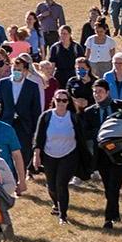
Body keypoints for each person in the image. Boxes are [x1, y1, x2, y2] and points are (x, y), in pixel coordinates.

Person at [87, 82, 122, 229]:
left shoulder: (120, 106)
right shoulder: (90, 112)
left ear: (108, 92)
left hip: (120, 154)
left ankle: (109, 218)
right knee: (109, 186)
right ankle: (114, 214)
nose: (97, 94)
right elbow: (86, 133)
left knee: (114, 185)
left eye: (100, 91)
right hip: (102, 156)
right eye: (95, 92)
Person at [34, 90, 83, 223]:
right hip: (49, 155)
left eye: (64, 100)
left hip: (69, 155)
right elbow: (38, 138)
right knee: (52, 186)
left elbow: (81, 138)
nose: (61, 102)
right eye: (58, 99)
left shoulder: (73, 117)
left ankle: (63, 215)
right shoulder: (46, 116)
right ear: (54, 100)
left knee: (61, 184)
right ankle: (56, 204)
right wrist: (36, 155)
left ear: (68, 102)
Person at [0, 56, 43, 170]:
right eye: (14, 69)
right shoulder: (4, 83)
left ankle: (21, 173)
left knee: (23, 152)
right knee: (5, 151)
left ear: (25, 71)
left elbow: (36, 110)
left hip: (24, 126)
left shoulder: (32, 86)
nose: (16, 72)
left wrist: (36, 130)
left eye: (19, 70)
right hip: (7, 123)